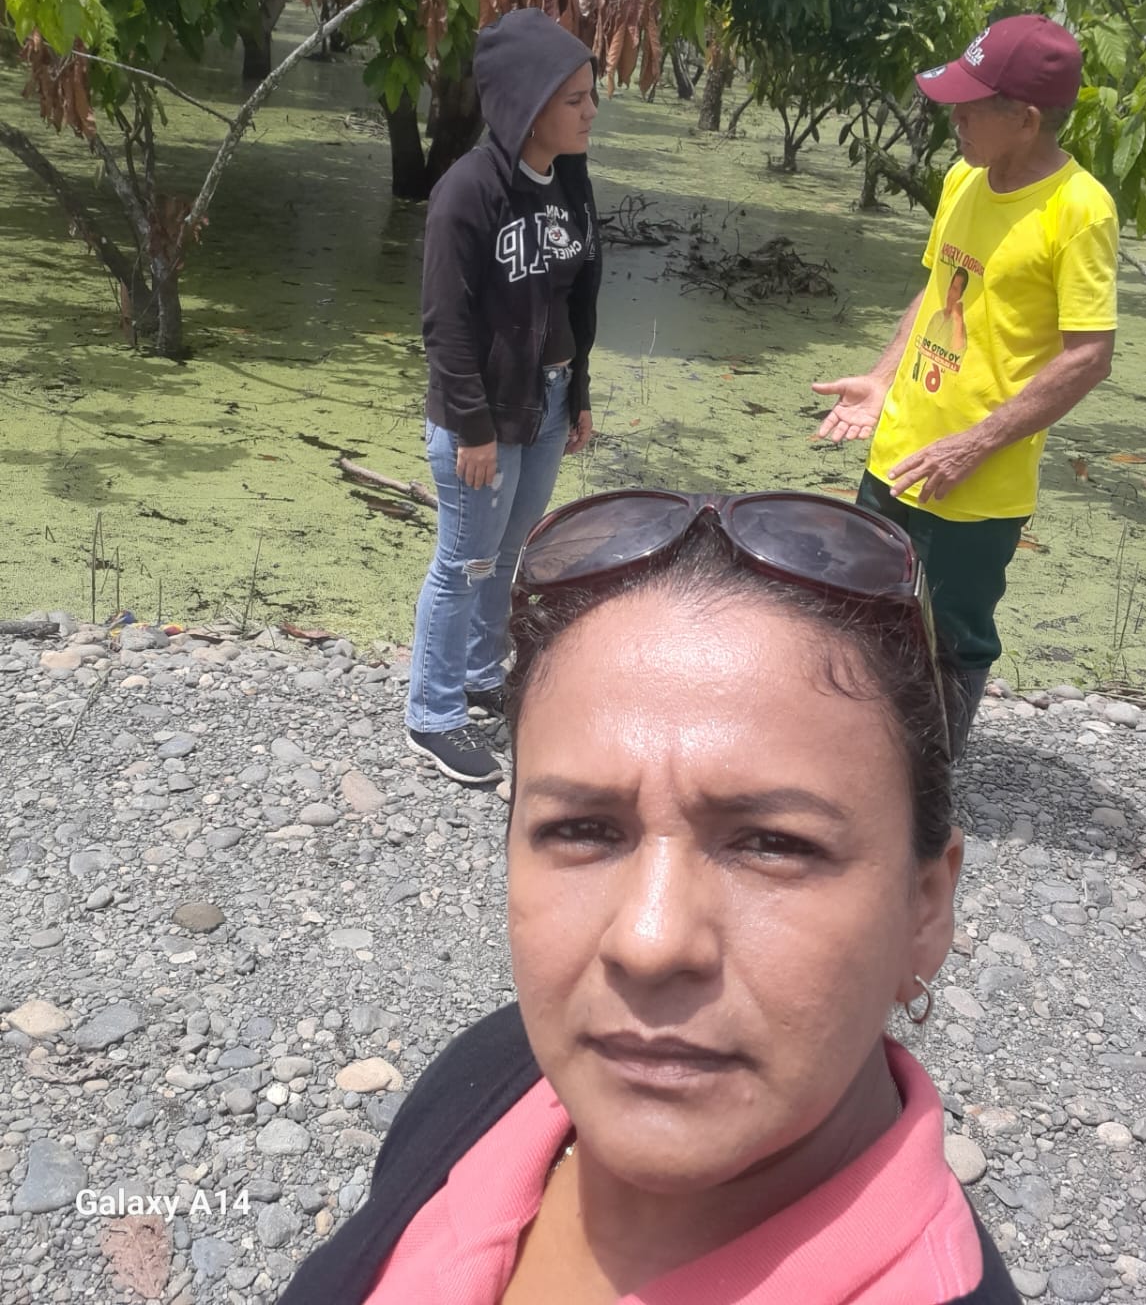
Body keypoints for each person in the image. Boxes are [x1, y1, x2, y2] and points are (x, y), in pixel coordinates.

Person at [281, 490, 1020, 1305]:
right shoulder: (496, 1074)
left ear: (925, 907)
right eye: (583, 830)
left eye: (772, 843)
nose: (650, 940)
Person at [814, 14, 1118, 756]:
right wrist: (882, 379)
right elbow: (937, 288)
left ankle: (931, 778)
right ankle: (866, 758)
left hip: (973, 483)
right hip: (896, 452)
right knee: (866, 606)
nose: (954, 120)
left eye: (971, 108)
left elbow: (1088, 355)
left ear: (1026, 119)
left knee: (951, 636)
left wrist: (973, 444)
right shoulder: (962, 179)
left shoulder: (1078, 210)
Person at [405, 6, 601, 786]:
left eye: (591, 95)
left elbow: (576, 297)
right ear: (528, 102)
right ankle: (432, 713)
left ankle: (482, 675)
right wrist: (472, 427)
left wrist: (578, 391)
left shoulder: (570, 180)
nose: (590, 112)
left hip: (546, 402)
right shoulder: (467, 191)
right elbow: (443, 322)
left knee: (507, 552)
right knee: (465, 561)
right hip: (483, 417)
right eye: (574, 99)